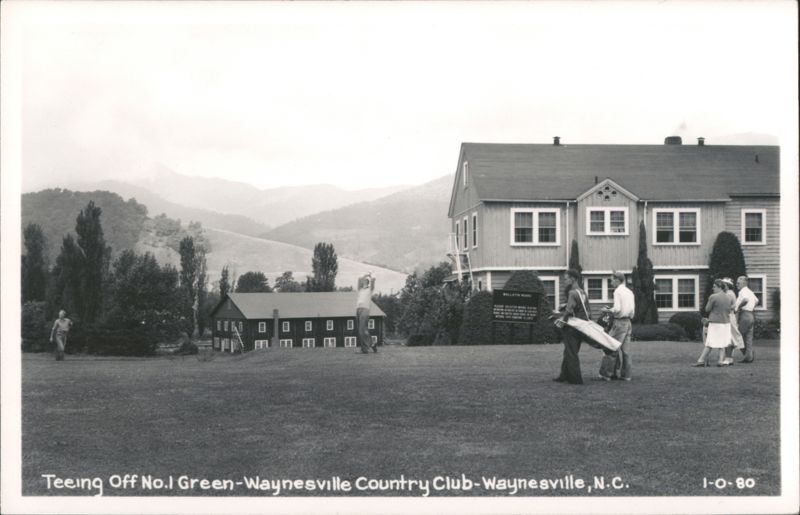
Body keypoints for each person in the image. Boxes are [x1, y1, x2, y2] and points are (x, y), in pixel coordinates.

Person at [553, 269, 591, 385]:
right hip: (581, 325)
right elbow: (585, 309)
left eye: (566, 279)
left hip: (572, 327)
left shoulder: (572, 293)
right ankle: (563, 376)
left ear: (573, 279)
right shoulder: (582, 292)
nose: (565, 281)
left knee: (571, 352)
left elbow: (569, 311)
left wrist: (561, 321)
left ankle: (576, 379)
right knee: (569, 351)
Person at [599, 271, 635, 381]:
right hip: (628, 322)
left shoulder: (617, 292)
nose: (611, 283)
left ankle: (607, 374)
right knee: (626, 351)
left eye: (611, 280)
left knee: (610, 347)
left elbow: (618, 308)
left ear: (617, 280)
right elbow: (632, 310)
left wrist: (608, 310)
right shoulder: (630, 292)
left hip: (619, 322)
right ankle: (626, 375)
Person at [693, 280, 732, 367]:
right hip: (726, 323)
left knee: (710, 342)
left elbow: (707, 309)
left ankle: (701, 360)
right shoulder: (728, 297)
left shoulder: (713, 297)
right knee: (723, 343)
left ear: (719, 287)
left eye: (714, 286)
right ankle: (720, 361)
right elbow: (729, 309)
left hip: (715, 322)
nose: (712, 288)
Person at [734, 275, 758, 363]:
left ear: (744, 283)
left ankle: (749, 354)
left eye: (738, 283)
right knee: (748, 337)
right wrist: (751, 307)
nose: (737, 284)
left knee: (738, 336)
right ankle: (748, 356)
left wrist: (738, 308)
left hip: (744, 315)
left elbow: (745, 300)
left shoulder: (742, 292)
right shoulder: (750, 291)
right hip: (750, 314)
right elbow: (756, 300)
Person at [720, 277, 744, 365]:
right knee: (729, 337)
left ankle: (728, 358)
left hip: (729, 317)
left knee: (729, 337)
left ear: (726, 285)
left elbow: (726, 306)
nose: (722, 285)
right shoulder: (729, 293)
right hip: (729, 316)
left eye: (723, 284)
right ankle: (729, 358)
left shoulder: (729, 294)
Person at [355, 272, 376, 354]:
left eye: (365, 281)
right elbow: (358, 279)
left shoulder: (369, 290)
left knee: (362, 330)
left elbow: (373, 281)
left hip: (365, 309)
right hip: (358, 309)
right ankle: (371, 344)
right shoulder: (360, 289)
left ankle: (365, 348)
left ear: (367, 282)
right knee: (362, 330)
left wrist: (370, 276)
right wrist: (364, 276)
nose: (363, 282)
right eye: (362, 281)